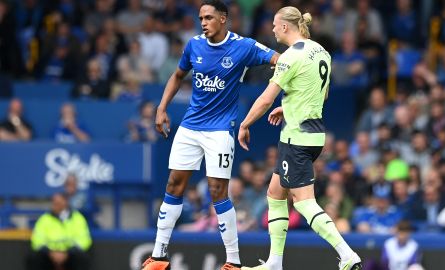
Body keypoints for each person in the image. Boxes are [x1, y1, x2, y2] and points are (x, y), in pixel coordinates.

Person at [142, 1, 279, 270]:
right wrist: (161, 108)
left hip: (219, 130)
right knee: (173, 185)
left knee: (218, 191)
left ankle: (233, 262)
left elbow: (278, 59)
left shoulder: (243, 46)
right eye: (201, 18)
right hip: (190, 127)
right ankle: (159, 257)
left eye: (208, 17)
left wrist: (284, 76)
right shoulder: (194, 45)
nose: (203, 22)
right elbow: (178, 75)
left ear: (223, 19)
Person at [237, 6, 361, 270]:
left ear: (284, 26)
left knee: (304, 202)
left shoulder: (289, 57)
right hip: (314, 134)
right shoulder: (321, 51)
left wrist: (245, 123)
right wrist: (289, 106)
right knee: (275, 192)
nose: (271, 29)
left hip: (297, 138)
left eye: (274, 24)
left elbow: (265, 99)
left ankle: (347, 253)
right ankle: (274, 262)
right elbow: (321, 94)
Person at [27, 193, 91, 270]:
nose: (54, 205)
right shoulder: (44, 219)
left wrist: (67, 253)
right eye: (53, 203)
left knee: (81, 258)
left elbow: (84, 240)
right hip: (49, 255)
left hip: (70, 255)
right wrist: (50, 253)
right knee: (33, 258)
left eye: (58, 203)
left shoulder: (77, 218)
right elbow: (37, 240)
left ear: (65, 202)